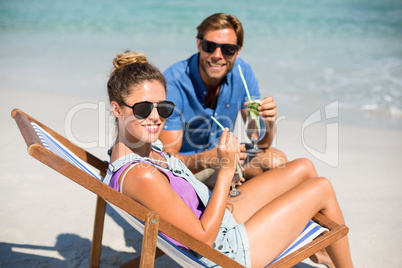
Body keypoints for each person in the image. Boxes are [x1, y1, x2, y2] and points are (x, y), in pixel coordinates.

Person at [103, 50, 353, 267]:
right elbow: (203, 241)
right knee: (322, 188)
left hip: (217, 219)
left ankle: (321, 251)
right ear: (116, 109)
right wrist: (225, 170)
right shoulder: (141, 174)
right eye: (144, 108)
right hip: (226, 251)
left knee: (303, 167)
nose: (156, 116)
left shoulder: (138, 151)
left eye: (164, 107)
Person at [159, 13, 288, 185]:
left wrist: (269, 122)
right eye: (209, 46)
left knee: (277, 160)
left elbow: (260, 142)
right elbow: (166, 160)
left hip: (223, 160)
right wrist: (206, 159)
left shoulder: (242, 73)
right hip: (183, 171)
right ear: (198, 44)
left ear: (237, 51)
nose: (217, 55)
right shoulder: (173, 84)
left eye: (228, 49)